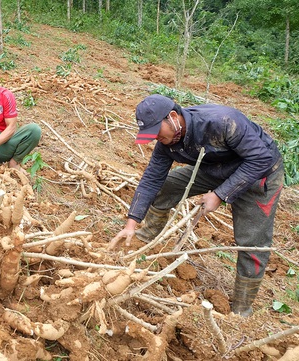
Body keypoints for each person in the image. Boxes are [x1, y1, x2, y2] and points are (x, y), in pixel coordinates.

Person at [109, 94, 284, 317]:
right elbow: (152, 178)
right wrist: (132, 222)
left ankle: (242, 310)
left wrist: (220, 194)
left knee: (252, 242)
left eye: (156, 131)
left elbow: (260, 159)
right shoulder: (167, 141)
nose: (156, 139)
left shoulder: (223, 122)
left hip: (260, 173)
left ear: (172, 117)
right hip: (216, 168)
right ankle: (145, 241)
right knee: (167, 187)